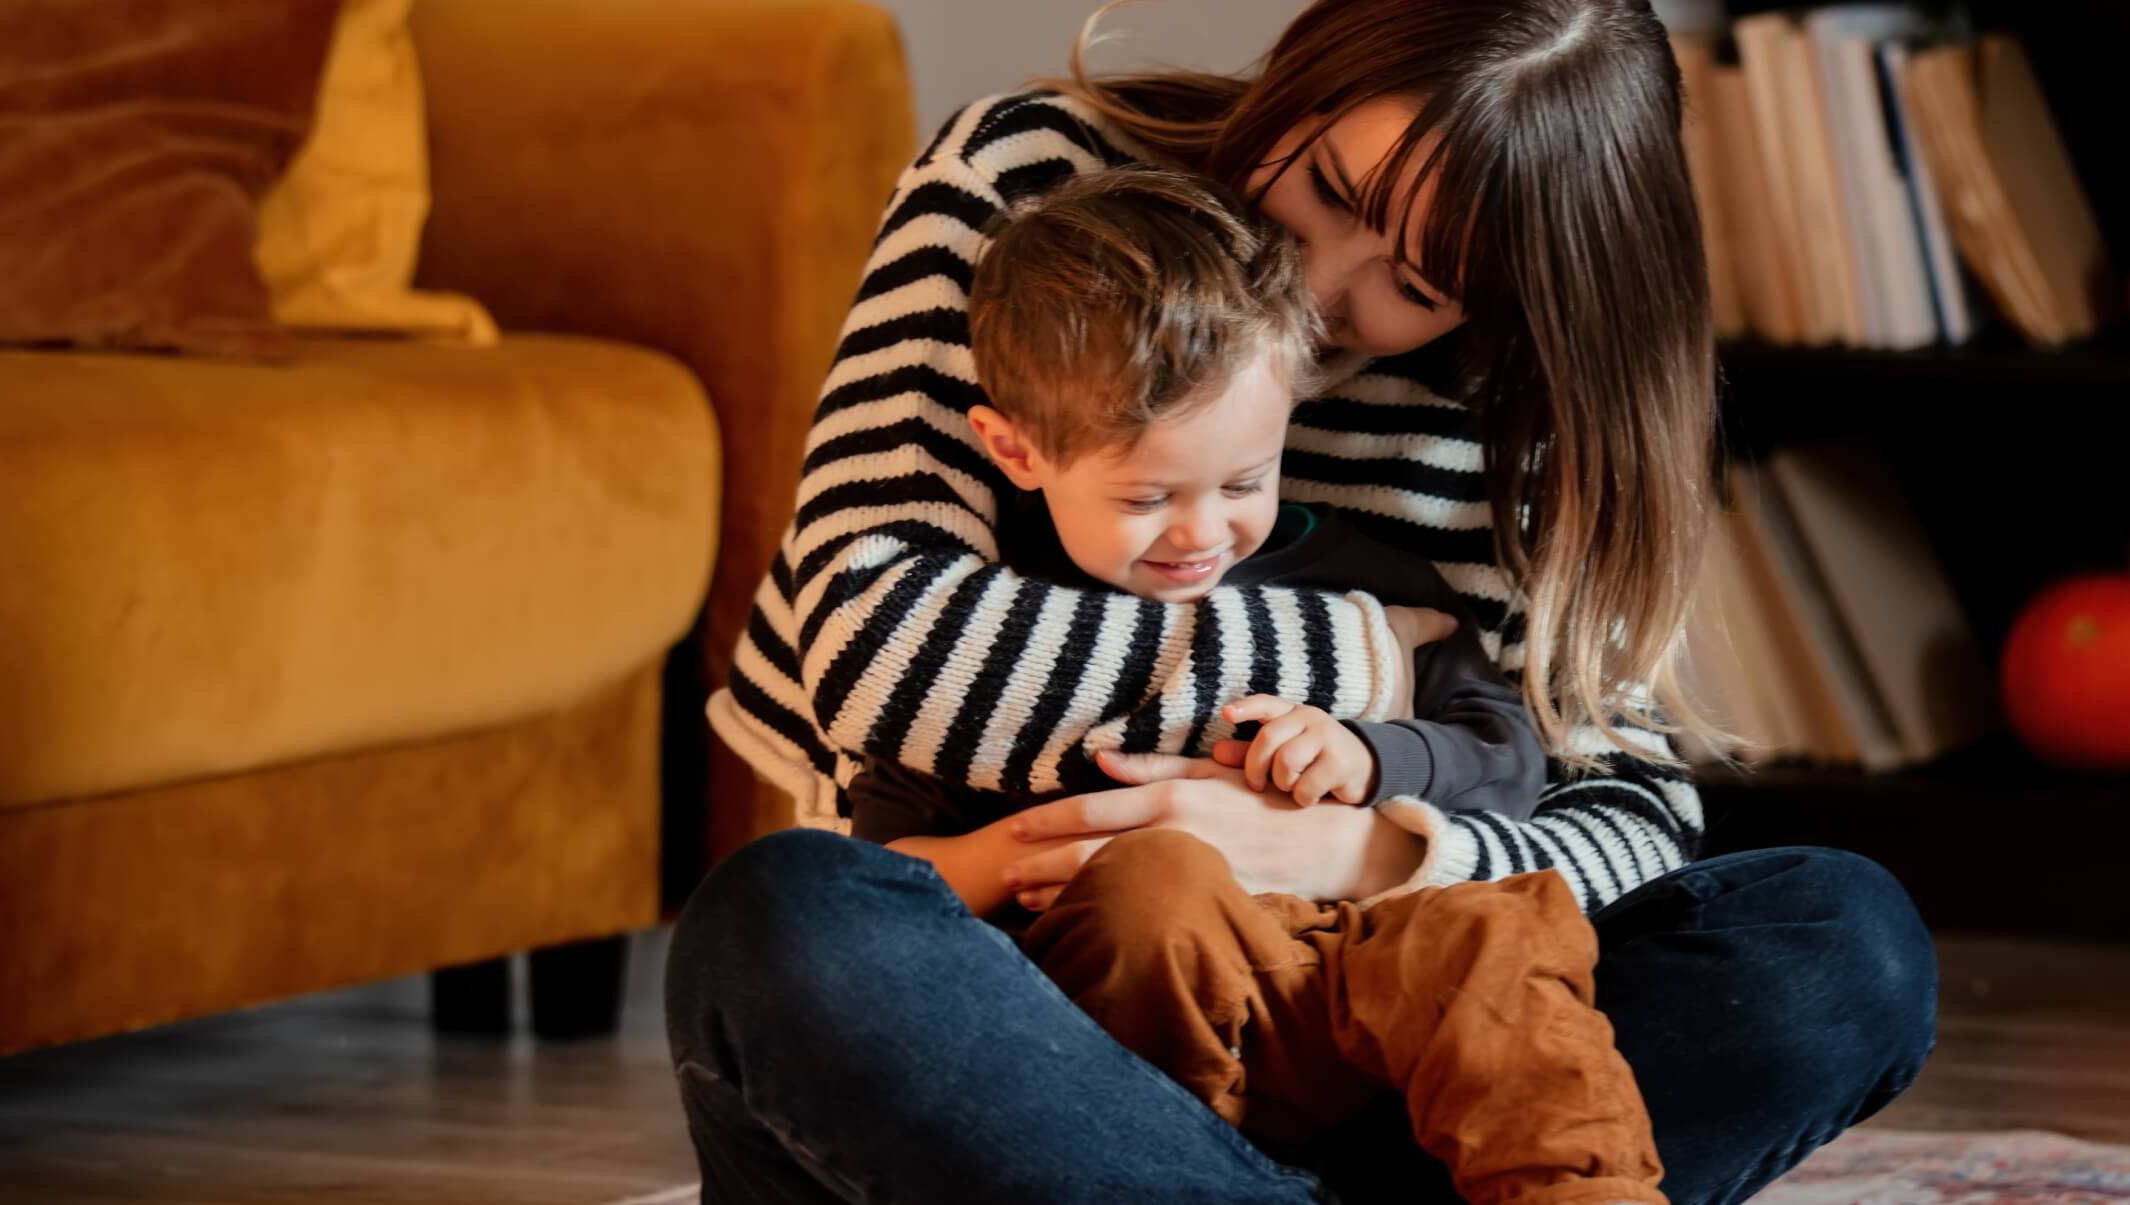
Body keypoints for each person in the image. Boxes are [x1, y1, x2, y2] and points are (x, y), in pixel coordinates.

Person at [674, 2, 1938, 1203]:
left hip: (1352, 1013)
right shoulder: (1029, 181)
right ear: (1307, 72)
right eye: (1328, 188)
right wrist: (1375, 660)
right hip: (1025, 1046)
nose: (1313, 280)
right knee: (781, 918)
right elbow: (880, 649)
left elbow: (1625, 813)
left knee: (1841, 942)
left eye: (1416, 285)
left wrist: (1358, 846)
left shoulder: (1532, 397)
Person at [838, 163, 1666, 1205]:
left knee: (1490, 927)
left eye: (1243, 482)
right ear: (1015, 449)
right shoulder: (981, 627)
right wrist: (1016, 853)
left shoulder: (1362, 584)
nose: (1201, 532)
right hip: (1116, 1025)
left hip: (1331, 978)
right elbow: (884, 875)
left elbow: (1505, 756)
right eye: (1146, 494)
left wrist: (1370, 755)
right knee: (1156, 879)